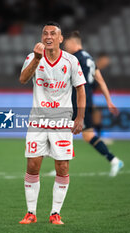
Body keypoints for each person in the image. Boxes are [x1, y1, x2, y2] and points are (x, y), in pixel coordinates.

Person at [19, 22, 86, 225]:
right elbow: (23, 79)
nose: (48, 37)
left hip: (62, 121)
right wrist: (37, 59)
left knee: (63, 167)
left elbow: (80, 90)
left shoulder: (71, 61)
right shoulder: (32, 57)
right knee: (32, 164)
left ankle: (55, 213)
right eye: (45, 33)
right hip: (38, 120)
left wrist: (80, 118)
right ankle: (31, 212)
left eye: (52, 34)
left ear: (60, 38)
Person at [64, 31, 124, 177]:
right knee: (77, 134)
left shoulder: (74, 58)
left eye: (66, 45)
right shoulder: (89, 59)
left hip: (78, 102)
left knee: (77, 134)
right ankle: (114, 161)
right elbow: (101, 81)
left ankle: (114, 160)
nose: (65, 48)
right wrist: (109, 101)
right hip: (86, 101)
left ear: (73, 43)